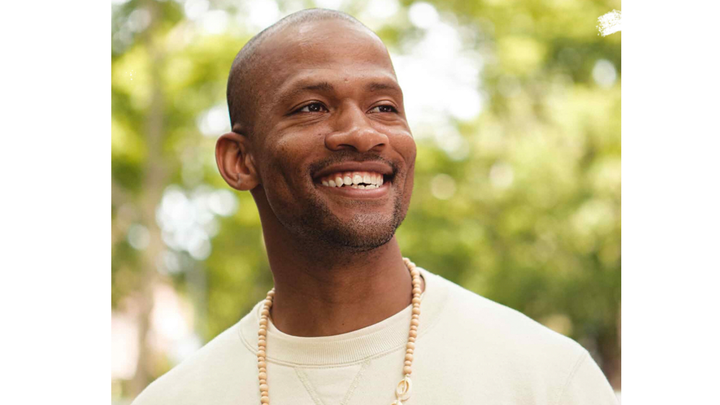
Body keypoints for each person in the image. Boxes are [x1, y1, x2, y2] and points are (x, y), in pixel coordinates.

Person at [133, 8, 618, 405]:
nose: (363, 133)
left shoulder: (548, 379)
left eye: (384, 107)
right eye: (312, 107)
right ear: (240, 161)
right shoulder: (176, 398)